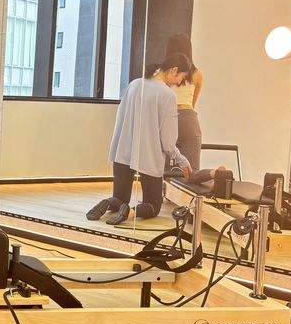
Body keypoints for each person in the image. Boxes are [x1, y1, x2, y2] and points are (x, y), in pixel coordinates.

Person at [86, 53, 193, 225]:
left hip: (122, 153)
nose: (179, 82)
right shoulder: (168, 95)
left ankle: (108, 204)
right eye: (181, 77)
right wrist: (181, 160)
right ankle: (129, 213)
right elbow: (167, 141)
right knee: (153, 205)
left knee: (119, 198)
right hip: (148, 157)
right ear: (174, 70)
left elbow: (120, 119)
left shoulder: (134, 84)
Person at [164, 33, 204, 172]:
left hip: (168, 118)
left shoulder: (164, 74)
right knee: (191, 171)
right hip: (189, 120)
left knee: (165, 171)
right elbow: (192, 104)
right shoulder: (197, 75)